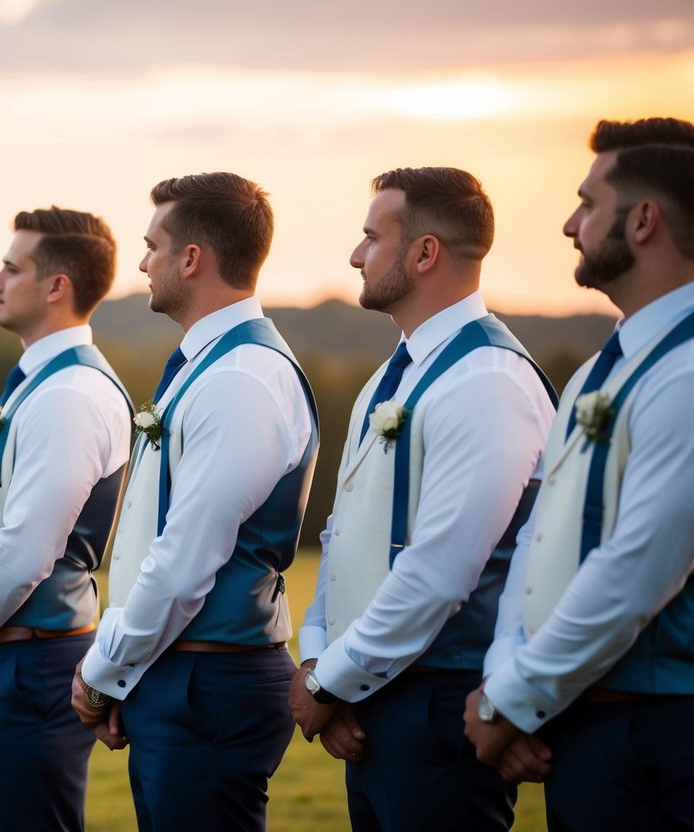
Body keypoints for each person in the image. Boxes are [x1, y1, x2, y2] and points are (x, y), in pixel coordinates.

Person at [287, 167, 556, 831]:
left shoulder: (486, 380)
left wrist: (328, 683)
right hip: (371, 699)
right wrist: (322, 654)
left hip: (439, 709)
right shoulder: (392, 374)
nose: (354, 255)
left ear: (424, 252)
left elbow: (438, 573)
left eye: (369, 237)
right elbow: (341, 532)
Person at [465, 117, 694, 831]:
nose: (569, 223)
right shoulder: (602, 369)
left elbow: (636, 568)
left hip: (665, 733)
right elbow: (538, 542)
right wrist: (506, 681)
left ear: (644, 220)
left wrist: (510, 701)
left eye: (588, 202)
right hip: (586, 730)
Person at [73, 172, 318, 831]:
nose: (142, 261)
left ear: (191, 259)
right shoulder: (209, 367)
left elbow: (185, 557)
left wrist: (103, 668)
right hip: (180, 674)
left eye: (152, 245)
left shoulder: (241, 377)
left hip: (211, 684)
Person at [0, 206, 131, 831]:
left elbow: (27, 548)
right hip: (9, 656)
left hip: (34, 662)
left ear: (57, 287)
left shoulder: (69, 393)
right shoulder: (38, 384)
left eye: (12, 268)